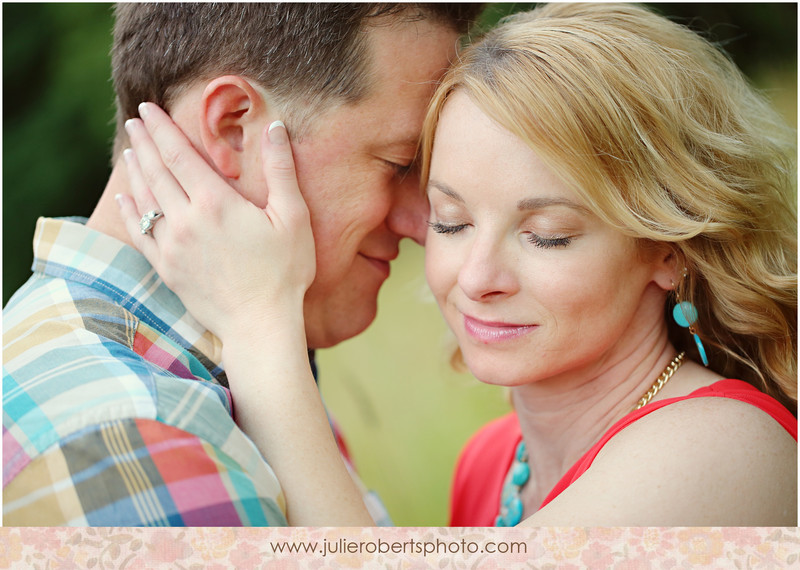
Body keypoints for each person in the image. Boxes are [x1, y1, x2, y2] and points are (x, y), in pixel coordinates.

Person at [117, 3, 797, 527]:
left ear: (667, 252)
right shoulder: (491, 463)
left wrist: (260, 326)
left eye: (548, 235)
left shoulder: (724, 448)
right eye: (451, 221)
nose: (476, 278)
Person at [2, 3, 483, 526]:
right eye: (397, 163)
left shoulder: (241, 368)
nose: (422, 221)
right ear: (234, 127)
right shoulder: (133, 436)